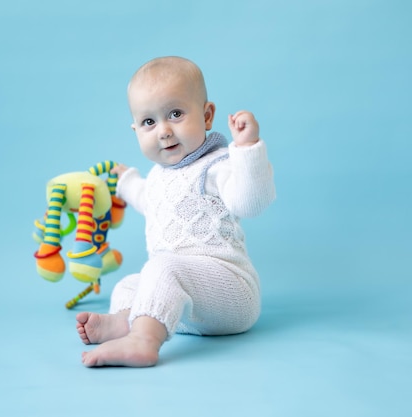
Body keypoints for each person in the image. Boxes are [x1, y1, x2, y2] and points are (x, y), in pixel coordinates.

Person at [76, 56, 276, 367]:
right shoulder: (158, 176)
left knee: (161, 268)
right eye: (149, 122)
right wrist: (125, 181)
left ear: (207, 115)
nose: (164, 131)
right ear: (135, 130)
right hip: (189, 310)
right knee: (131, 285)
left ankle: (142, 341)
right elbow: (148, 200)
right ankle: (125, 322)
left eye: (176, 114)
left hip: (232, 293)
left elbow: (250, 203)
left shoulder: (217, 164)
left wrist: (248, 149)